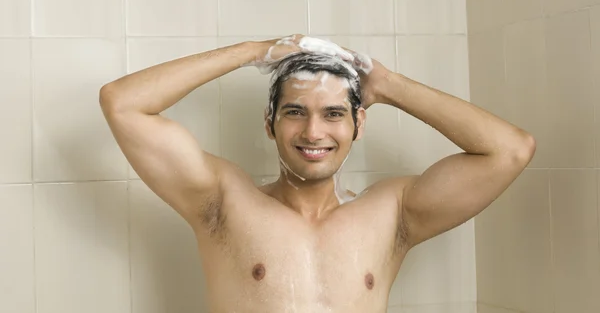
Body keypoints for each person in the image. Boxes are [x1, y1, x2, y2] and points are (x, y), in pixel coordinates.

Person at [99, 34, 535, 313]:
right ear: (269, 123)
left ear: (358, 125)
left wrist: (388, 85)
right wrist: (252, 52)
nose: (313, 132)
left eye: (333, 114)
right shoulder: (223, 204)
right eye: (295, 112)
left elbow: (511, 150)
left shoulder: (393, 213)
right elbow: (122, 102)